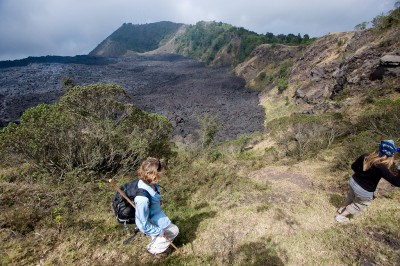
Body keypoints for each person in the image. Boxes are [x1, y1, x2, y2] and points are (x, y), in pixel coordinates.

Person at [335, 140, 400, 222]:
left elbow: (353, 166)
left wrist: (362, 174)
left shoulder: (365, 156)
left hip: (353, 181)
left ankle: (341, 209)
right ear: (390, 155)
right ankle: (341, 216)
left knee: (351, 196)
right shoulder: (382, 167)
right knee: (360, 204)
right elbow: (397, 182)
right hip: (364, 190)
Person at [134, 157, 179, 257]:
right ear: (154, 174)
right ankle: (154, 250)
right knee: (174, 230)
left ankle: (159, 241)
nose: (163, 173)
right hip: (150, 220)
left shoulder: (151, 182)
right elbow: (143, 224)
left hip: (155, 215)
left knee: (166, 232)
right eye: (161, 172)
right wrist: (159, 231)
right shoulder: (142, 199)